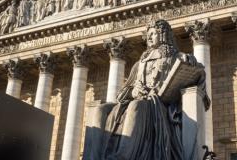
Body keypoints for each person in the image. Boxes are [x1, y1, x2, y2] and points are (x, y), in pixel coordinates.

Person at [83, 19, 209, 160]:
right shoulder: (140, 63)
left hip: (158, 107)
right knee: (99, 110)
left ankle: (122, 156)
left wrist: (192, 63)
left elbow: (199, 77)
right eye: (148, 34)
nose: (149, 37)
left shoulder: (177, 58)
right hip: (134, 102)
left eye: (153, 33)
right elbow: (123, 92)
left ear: (163, 35)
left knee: (136, 106)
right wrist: (133, 91)